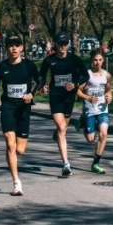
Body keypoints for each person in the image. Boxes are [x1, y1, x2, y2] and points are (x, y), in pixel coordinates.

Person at [0, 35, 39, 196]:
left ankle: (15, 161)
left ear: (21, 48)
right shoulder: (1, 66)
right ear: (6, 48)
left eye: (17, 45)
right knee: (10, 145)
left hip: (24, 108)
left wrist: (32, 94)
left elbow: (39, 81)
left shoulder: (29, 65)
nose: (14, 48)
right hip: (8, 107)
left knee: (20, 150)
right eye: (11, 45)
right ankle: (16, 183)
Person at [40, 33, 89, 177]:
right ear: (55, 44)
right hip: (55, 96)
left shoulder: (74, 59)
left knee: (63, 128)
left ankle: (58, 134)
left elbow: (85, 75)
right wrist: (43, 85)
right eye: (60, 43)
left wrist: (75, 84)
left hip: (69, 97)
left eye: (65, 43)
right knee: (62, 127)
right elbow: (41, 75)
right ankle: (66, 164)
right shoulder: (49, 60)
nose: (62, 46)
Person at [76, 50, 112, 174]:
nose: (97, 62)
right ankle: (83, 122)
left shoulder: (106, 75)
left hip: (102, 109)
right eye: (95, 60)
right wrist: (88, 98)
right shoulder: (87, 75)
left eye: (100, 60)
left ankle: (96, 163)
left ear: (103, 61)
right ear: (92, 61)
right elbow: (78, 91)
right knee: (90, 139)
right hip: (89, 110)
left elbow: (108, 90)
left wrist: (109, 97)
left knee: (103, 134)